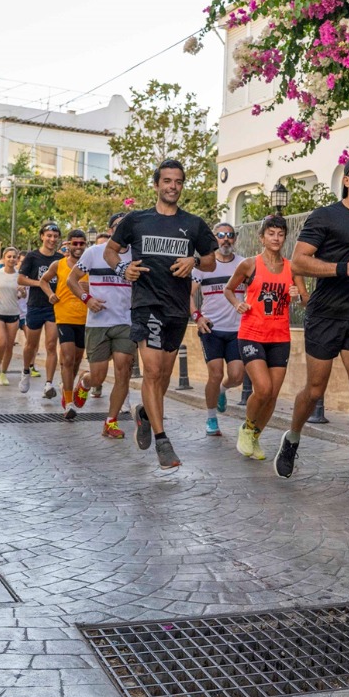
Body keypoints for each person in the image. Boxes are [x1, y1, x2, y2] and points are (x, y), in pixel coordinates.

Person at [278, 153, 349, 504]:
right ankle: (293, 437)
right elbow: (298, 261)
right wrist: (345, 269)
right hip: (325, 315)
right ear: (347, 180)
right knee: (315, 390)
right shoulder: (325, 216)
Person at [106, 160, 218, 469]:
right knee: (152, 372)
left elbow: (211, 261)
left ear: (182, 186)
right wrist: (122, 268)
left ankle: (144, 413)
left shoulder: (194, 224)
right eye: (166, 181)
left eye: (178, 181)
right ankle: (162, 439)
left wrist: (193, 262)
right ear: (156, 185)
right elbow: (110, 251)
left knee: (164, 376)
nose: (172, 186)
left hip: (177, 309)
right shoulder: (136, 220)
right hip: (146, 304)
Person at [223, 215, 306, 460]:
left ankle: (255, 435)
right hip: (251, 334)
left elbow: (306, 299)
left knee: (272, 395)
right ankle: (247, 428)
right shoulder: (250, 265)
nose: (276, 238)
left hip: (280, 337)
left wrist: (297, 295)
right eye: (271, 233)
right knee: (263, 388)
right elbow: (229, 289)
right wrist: (237, 303)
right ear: (262, 237)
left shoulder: (293, 268)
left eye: (280, 234)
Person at [67, 215, 136, 439]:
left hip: (125, 321)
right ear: (111, 229)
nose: (123, 230)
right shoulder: (94, 252)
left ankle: (111, 422)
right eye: (118, 227)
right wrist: (87, 299)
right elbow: (72, 280)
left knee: (123, 370)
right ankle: (85, 382)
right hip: (98, 323)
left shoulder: (137, 254)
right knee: (98, 376)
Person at [194, 222, 247, 437]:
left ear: (234, 239)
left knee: (236, 376)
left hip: (238, 330)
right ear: (215, 239)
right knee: (214, 374)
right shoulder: (204, 266)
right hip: (212, 329)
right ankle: (211, 418)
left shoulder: (244, 264)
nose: (226, 239)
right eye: (221, 235)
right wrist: (197, 317)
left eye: (230, 235)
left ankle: (222, 392)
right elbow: (187, 293)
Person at [49, 230, 90, 417]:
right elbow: (43, 281)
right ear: (69, 244)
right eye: (75, 243)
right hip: (64, 316)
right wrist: (50, 294)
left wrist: (92, 289)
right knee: (67, 359)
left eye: (82, 244)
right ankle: (69, 403)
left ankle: (68, 389)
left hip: (85, 318)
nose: (78, 247)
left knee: (76, 361)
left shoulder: (91, 265)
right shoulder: (59, 264)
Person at [19, 224, 63, 397]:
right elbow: (21, 279)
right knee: (31, 344)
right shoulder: (32, 256)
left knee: (51, 344)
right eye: (49, 235)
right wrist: (41, 283)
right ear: (42, 236)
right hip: (35, 305)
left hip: (54, 306)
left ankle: (49, 383)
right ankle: (25, 371)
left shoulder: (60, 259)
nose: (52, 239)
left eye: (55, 236)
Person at [0, 248, 23, 384]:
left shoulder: (20, 275)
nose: (12, 259)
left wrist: (22, 292)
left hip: (13, 313)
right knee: (1, 342)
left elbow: (22, 295)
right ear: (4, 258)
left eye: (14, 257)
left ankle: (3, 373)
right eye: (9, 257)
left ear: (17, 259)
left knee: (9, 345)